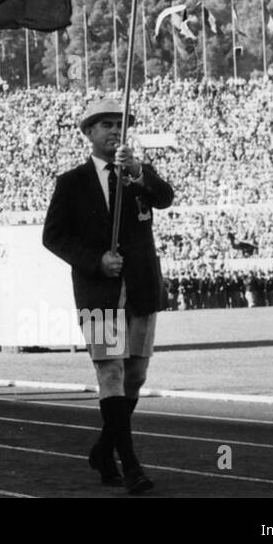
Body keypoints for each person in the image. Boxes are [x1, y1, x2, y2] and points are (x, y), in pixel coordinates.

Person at [42, 98, 175, 495]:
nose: (114, 130)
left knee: (135, 374)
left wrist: (138, 172)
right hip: (100, 292)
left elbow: (165, 197)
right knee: (111, 372)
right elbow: (53, 236)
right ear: (88, 133)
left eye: (120, 124)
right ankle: (130, 463)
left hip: (141, 289)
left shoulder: (137, 174)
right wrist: (96, 261)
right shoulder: (71, 182)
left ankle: (103, 448)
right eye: (105, 124)